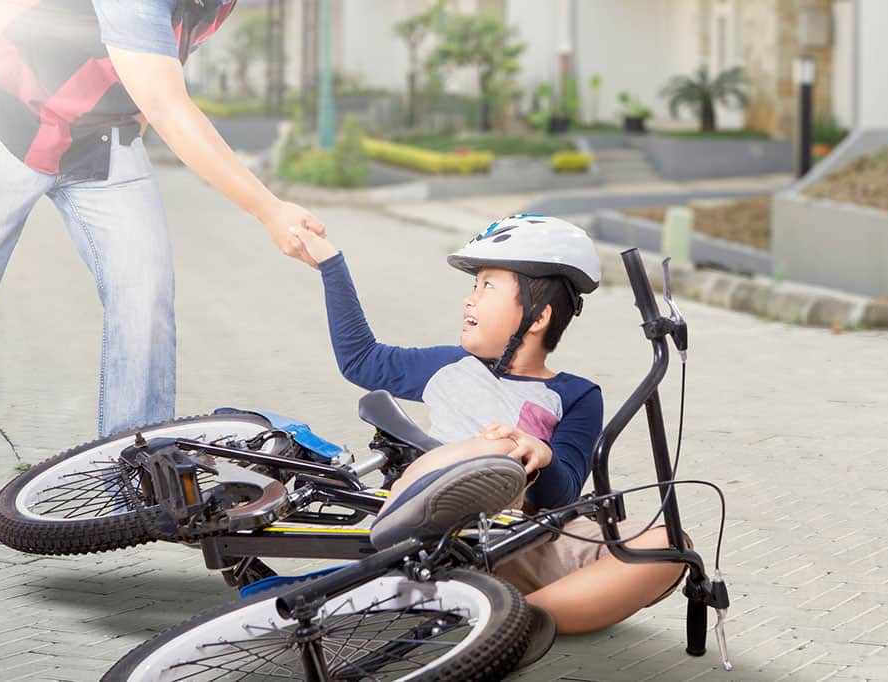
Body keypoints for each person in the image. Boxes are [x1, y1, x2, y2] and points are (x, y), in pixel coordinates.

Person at [288, 215, 688, 664]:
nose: (469, 299)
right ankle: (423, 541)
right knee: (494, 450)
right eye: (474, 285)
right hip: (441, 523)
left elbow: (564, 491)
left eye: (487, 287)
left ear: (539, 317)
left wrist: (542, 454)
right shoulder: (447, 366)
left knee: (671, 545)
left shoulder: (576, 395)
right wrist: (330, 265)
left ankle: (506, 624)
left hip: (526, 537)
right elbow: (360, 359)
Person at [0, 0, 323, 461]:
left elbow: (160, 70)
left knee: (145, 293)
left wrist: (134, 118)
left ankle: (134, 463)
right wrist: (269, 209)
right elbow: (167, 104)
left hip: (101, 137)